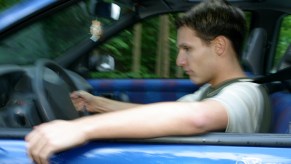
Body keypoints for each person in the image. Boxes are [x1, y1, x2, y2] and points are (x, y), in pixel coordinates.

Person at [25, 0, 270, 163]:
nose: (179, 61)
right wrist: (97, 104)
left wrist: (80, 128)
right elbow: (160, 114)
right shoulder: (211, 89)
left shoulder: (245, 93)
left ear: (219, 46)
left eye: (187, 49)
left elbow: (197, 117)